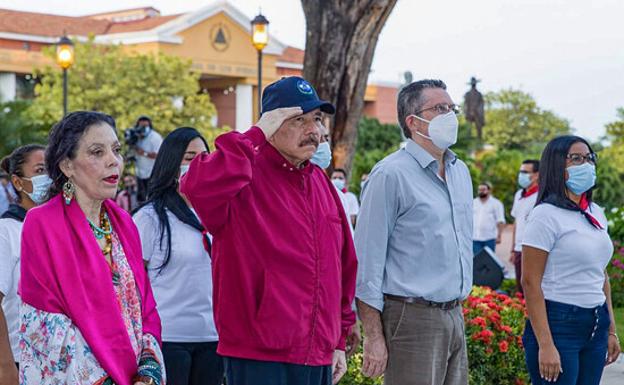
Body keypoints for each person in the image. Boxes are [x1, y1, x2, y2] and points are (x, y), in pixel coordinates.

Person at [180, 76, 357, 385]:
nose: (313, 131)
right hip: (258, 355)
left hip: (316, 353)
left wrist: (338, 339)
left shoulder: (321, 183)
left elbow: (342, 266)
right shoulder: (242, 175)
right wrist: (255, 135)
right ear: (271, 125)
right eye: (298, 120)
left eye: (316, 119)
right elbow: (197, 186)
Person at [19, 111, 165, 385]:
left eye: (116, 150)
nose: (113, 161)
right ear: (67, 166)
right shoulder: (42, 224)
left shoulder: (124, 222)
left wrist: (148, 372)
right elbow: (43, 322)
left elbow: (146, 308)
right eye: (97, 152)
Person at [356, 79, 473, 385]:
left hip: (454, 314)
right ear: (413, 122)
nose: (451, 116)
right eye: (440, 108)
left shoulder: (460, 171)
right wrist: (373, 336)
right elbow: (367, 262)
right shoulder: (390, 174)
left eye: (452, 108)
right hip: (411, 318)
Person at [522, 135, 620, 385]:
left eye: (589, 158)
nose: (585, 164)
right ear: (557, 165)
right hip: (558, 324)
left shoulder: (594, 212)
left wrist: (611, 330)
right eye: (575, 158)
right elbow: (531, 282)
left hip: (596, 323)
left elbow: (602, 274)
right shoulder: (544, 215)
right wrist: (545, 344)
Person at [134, 127, 223, 385]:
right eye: (189, 157)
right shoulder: (149, 218)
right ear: (172, 163)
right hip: (167, 341)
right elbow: (132, 286)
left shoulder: (220, 212)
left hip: (214, 339)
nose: (199, 163)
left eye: (205, 156)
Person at [0, 144, 48, 384]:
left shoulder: (59, 228)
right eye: (40, 170)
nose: (48, 178)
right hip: (20, 361)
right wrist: (6, 367)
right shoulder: (6, 231)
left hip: (57, 362)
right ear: (18, 183)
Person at [510, 159, 539, 293]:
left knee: (532, 288)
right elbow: (516, 222)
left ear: (537, 174)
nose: (521, 175)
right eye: (520, 171)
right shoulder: (519, 195)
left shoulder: (540, 197)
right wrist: (512, 249)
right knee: (520, 289)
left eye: (525, 172)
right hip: (518, 249)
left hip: (533, 249)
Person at [133, 116, 163, 203]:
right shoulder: (137, 136)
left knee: (152, 199)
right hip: (140, 173)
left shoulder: (155, 137)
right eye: (141, 126)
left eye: (145, 126)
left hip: (152, 174)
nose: (143, 129)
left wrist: (144, 153)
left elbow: (160, 155)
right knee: (141, 200)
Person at [472, 182, 505, 255]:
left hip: (489, 238)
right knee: (477, 260)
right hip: (475, 238)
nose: (481, 191)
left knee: (489, 261)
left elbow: (500, 221)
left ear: (489, 191)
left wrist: (499, 236)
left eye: (483, 189)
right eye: (479, 190)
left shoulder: (496, 203)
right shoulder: (473, 202)